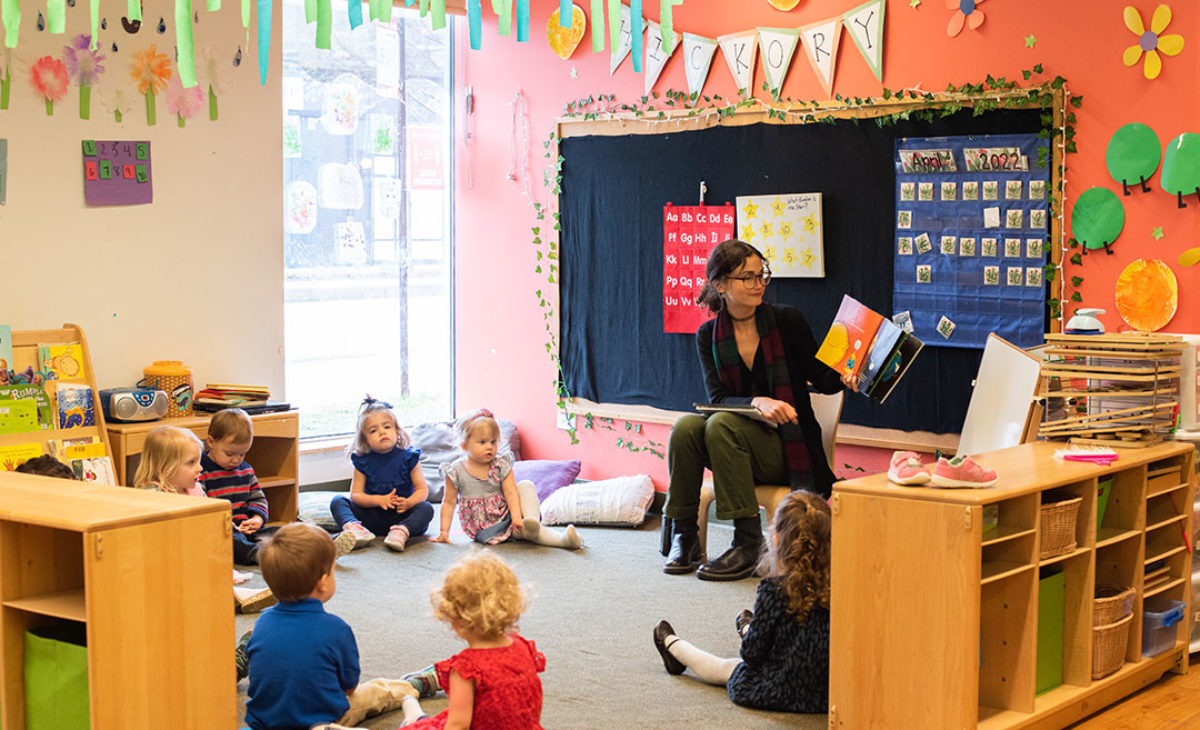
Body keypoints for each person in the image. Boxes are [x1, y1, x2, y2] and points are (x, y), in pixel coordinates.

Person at [662, 238, 853, 581]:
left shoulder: (786, 320)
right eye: (747, 277)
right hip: (733, 451)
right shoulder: (708, 335)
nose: (759, 283)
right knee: (686, 428)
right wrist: (757, 402)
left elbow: (820, 378)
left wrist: (846, 374)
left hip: (788, 449)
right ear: (720, 285)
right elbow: (716, 397)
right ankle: (684, 534)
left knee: (720, 425)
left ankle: (748, 542)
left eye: (761, 274)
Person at [652, 490, 831, 713]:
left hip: (774, 690)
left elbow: (752, 655)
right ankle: (748, 627)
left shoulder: (773, 592)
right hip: (823, 695)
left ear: (775, 540)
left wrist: (752, 640)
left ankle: (674, 647)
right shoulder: (840, 591)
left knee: (728, 666)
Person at [243, 523, 423, 730]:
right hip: (323, 721)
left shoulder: (260, 624)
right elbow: (349, 686)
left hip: (264, 723)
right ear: (323, 582)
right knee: (376, 691)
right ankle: (415, 685)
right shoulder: (336, 629)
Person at [400, 550, 546, 729]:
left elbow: (457, 726)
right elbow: (532, 702)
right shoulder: (523, 648)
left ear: (456, 619)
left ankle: (414, 717)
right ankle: (415, 713)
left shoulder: (467, 668)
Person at [431, 409, 582, 549]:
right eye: (482, 442)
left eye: (493, 441)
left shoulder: (500, 464)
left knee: (526, 485)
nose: (489, 447)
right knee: (528, 533)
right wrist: (444, 532)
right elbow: (449, 502)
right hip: (486, 526)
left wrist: (517, 517)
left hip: (509, 513)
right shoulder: (455, 470)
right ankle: (563, 540)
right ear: (464, 445)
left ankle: (531, 521)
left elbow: (511, 492)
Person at [331, 396, 435, 552]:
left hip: (401, 515)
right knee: (337, 501)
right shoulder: (362, 461)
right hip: (370, 516)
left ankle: (400, 532)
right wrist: (378, 500)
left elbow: (422, 491)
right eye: (373, 430)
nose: (382, 433)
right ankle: (355, 530)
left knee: (426, 508)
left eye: (387, 427)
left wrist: (408, 503)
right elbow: (356, 495)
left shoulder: (409, 458)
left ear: (397, 430)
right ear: (364, 440)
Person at [199, 408, 272, 565]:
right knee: (232, 541)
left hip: (246, 527)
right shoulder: (200, 470)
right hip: (222, 530)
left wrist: (257, 519)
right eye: (229, 454)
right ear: (211, 442)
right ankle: (257, 554)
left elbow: (258, 498)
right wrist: (225, 523)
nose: (236, 460)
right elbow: (203, 505)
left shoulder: (246, 470)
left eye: (242, 454)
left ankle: (311, 543)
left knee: (277, 532)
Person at [131, 425, 207, 495]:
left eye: (198, 461)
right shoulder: (154, 495)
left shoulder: (197, 490)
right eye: (191, 462)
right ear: (165, 467)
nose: (200, 468)